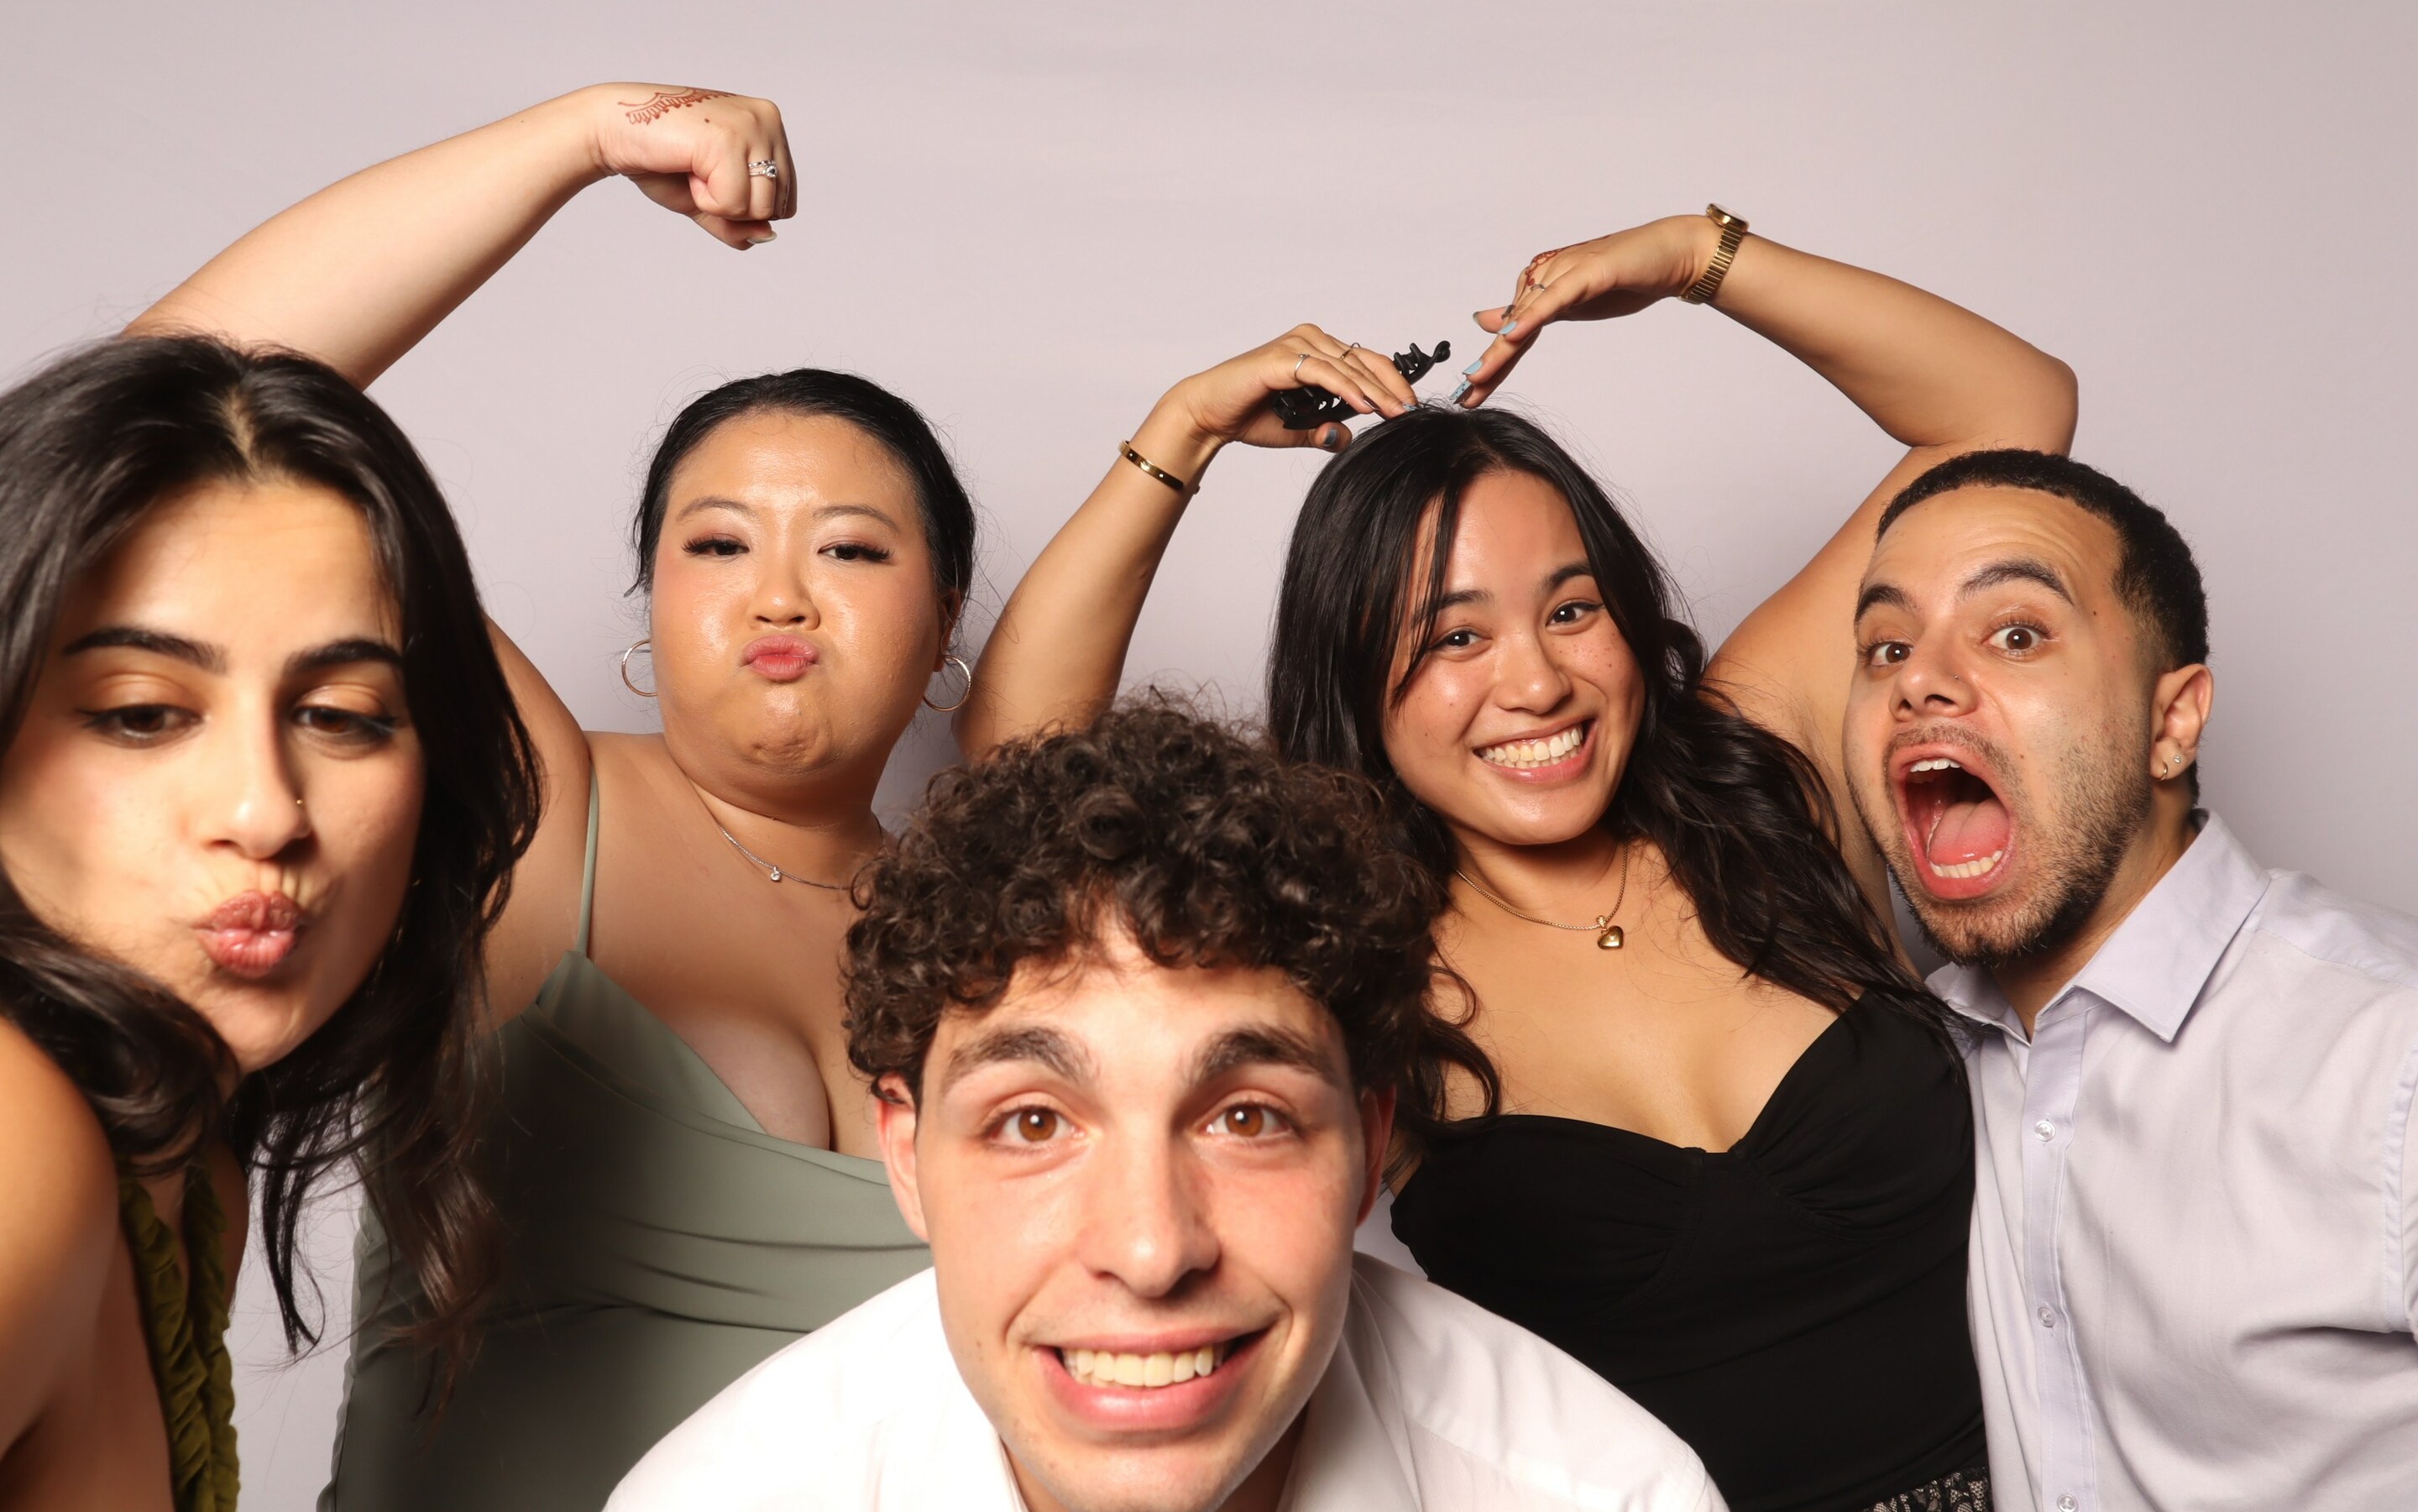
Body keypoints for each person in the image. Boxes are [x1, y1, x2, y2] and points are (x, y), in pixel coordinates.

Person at [959, 209, 2079, 1511]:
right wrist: (1184, 431)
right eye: (1453, 638)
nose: (1537, 683)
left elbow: (2009, 412)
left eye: (1571, 609)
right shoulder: (1338, 944)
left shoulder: (1767, 776)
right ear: (1355, 678)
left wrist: (1699, 260)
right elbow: (1015, 781)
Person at [135, 84, 964, 1508]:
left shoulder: (976, 908)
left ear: (943, 624)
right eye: (718, 545)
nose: (778, 596)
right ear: (650, 606)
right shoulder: (539, 808)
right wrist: (585, 136)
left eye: (849, 550)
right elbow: (176, 408)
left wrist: (1169, 452)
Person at [609, 702, 1722, 1512]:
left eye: (1248, 1118)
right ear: (906, 1159)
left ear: (1370, 1142)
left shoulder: (1609, 1494)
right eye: (1033, 1122)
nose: (1150, 1253)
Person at [0, 335, 538, 1512]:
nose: (265, 812)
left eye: (341, 715)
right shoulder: (15, 1142)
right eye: (142, 712)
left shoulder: (190, 1165)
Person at [1840, 448, 2418, 1510]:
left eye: (2017, 633)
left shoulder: (2390, 1059)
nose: (1918, 680)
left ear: (2172, 722)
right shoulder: (1907, 1063)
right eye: (1886, 647)